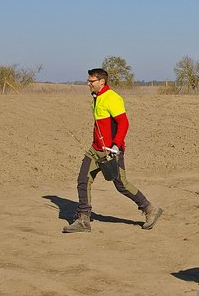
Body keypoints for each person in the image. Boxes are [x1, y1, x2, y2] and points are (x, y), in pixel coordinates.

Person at [63, 68, 163, 233]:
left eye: (91, 81)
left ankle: (149, 208)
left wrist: (116, 146)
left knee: (121, 184)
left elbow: (124, 123)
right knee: (83, 179)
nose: (88, 84)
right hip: (95, 149)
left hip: (111, 151)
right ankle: (83, 219)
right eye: (88, 81)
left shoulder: (112, 98)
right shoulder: (96, 98)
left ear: (101, 81)